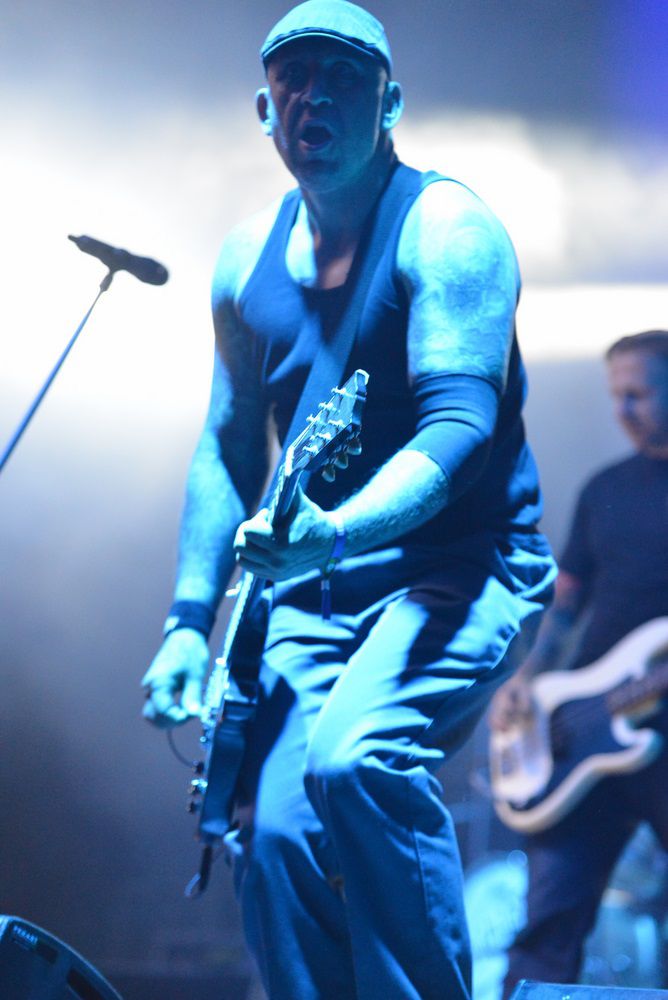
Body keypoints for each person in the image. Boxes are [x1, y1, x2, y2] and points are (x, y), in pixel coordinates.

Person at [141, 2, 555, 997]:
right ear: (263, 108)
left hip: (461, 569)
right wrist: (188, 620)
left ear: (390, 103)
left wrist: (333, 534)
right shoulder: (244, 260)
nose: (313, 95)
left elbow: (456, 431)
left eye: (342, 76)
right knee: (275, 833)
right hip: (314, 591)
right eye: (293, 76)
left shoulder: (448, 230)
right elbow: (227, 444)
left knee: (357, 758)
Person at [491, 330, 668, 998]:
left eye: (638, 393)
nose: (622, 409)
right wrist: (528, 679)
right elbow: (567, 601)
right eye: (615, 394)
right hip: (583, 726)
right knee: (548, 925)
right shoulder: (605, 489)